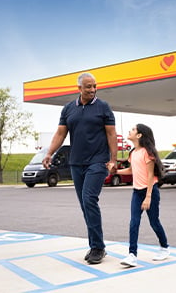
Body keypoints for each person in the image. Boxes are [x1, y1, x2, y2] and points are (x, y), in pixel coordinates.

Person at [42, 72, 118, 265]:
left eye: (94, 86)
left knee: (89, 199)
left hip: (98, 161)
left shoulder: (103, 107)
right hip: (76, 162)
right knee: (85, 205)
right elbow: (60, 133)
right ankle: (95, 244)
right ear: (79, 89)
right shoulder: (68, 109)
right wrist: (49, 153)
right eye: (88, 87)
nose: (92, 90)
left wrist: (113, 159)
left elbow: (111, 134)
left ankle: (98, 247)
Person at [116, 123, 169, 267]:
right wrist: (115, 171)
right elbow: (131, 170)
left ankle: (164, 247)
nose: (130, 130)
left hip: (150, 191)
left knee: (154, 222)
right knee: (134, 222)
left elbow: (151, 176)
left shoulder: (147, 152)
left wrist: (148, 197)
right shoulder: (133, 152)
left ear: (139, 135)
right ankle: (132, 255)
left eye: (133, 129)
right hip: (136, 192)